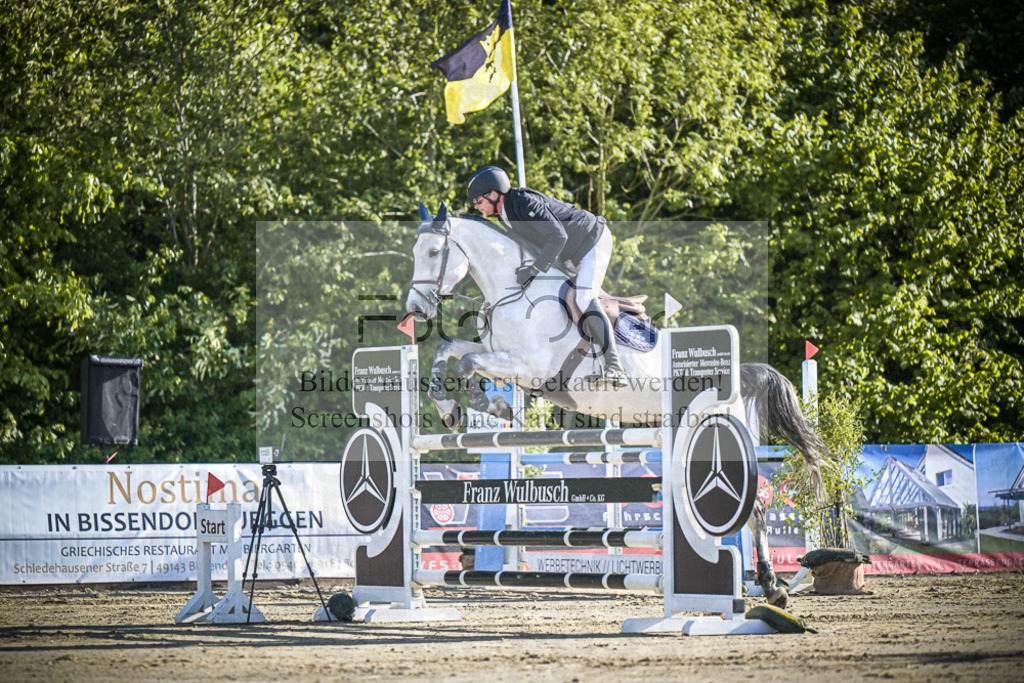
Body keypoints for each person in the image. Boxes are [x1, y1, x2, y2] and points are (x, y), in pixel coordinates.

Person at [466, 165, 627, 388]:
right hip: (568, 254)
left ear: (493, 195)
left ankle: (615, 367)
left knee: (583, 298)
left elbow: (558, 237)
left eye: (478, 201)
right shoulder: (504, 215)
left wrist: (534, 270)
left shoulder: (523, 203)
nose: (476, 206)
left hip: (591, 241)